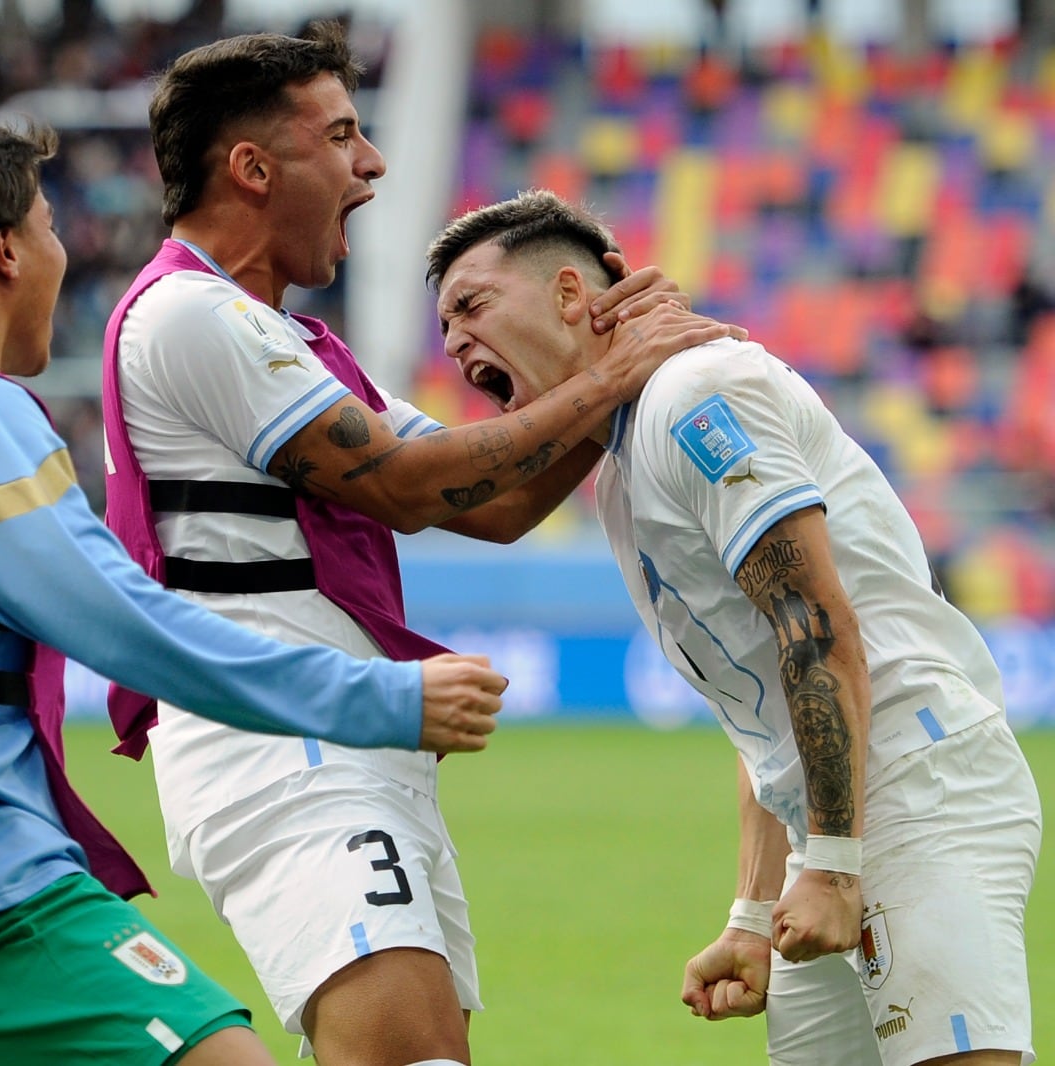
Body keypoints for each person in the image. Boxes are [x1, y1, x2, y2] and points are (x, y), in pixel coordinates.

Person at [0, 111, 513, 1066]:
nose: (63, 254)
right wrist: (381, 697)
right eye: (49, 228)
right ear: (5, 252)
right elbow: (128, 621)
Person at [101, 22, 744, 1066]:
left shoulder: (292, 344)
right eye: (344, 134)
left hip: (344, 738)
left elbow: (484, 501)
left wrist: (612, 360)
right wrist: (613, 378)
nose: (375, 162)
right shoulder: (188, 315)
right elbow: (404, 487)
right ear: (253, 167)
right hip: (283, 742)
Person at [426, 188, 1043, 1066]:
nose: (451, 340)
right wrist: (754, 914)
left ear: (572, 294)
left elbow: (814, 626)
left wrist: (830, 865)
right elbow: (762, 707)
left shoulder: (693, 393)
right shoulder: (621, 464)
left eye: (471, 304)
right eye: (444, 322)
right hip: (835, 826)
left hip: (916, 787)